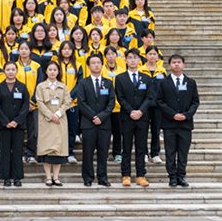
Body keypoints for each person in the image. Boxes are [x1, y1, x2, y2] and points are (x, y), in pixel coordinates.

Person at [157, 54, 200, 187]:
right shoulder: (163, 82)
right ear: (169, 65)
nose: (176, 64)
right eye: (174, 62)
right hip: (169, 123)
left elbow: (195, 101)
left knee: (183, 151)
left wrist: (186, 115)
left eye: (179, 62)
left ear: (183, 65)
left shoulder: (190, 82)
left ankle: (181, 176)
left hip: (185, 123)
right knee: (170, 151)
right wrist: (173, 114)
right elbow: (160, 101)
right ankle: (172, 177)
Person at [114, 49, 155, 187]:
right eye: (130, 58)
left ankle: (141, 175)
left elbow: (149, 97)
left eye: (135, 57)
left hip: (143, 118)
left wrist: (140, 111)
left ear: (139, 60)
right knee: (126, 147)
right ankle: (126, 175)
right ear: (125, 60)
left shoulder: (146, 78)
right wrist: (131, 111)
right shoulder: (120, 78)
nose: (133, 60)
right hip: (127, 117)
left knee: (141, 147)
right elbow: (120, 97)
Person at [76, 54, 116, 187]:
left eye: (98, 62)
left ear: (102, 65)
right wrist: (94, 116)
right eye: (93, 63)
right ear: (88, 66)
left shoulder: (108, 83)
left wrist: (101, 117)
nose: (96, 65)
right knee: (87, 152)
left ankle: (102, 177)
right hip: (88, 123)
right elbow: (81, 102)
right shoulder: (83, 83)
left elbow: (111, 103)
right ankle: (88, 178)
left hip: (104, 124)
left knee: (103, 152)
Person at [36, 61, 72, 187]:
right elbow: (39, 102)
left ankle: (56, 177)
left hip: (59, 120)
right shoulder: (41, 86)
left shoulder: (63, 86)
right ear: (46, 71)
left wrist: (58, 114)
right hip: (46, 121)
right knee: (47, 150)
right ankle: (48, 177)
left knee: (58, 151)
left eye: (54, 70)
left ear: (58, 72)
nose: (52, 72)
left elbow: (67, 102)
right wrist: (51, 115)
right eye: (50, 69)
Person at [0, 62, 30, 186]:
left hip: (18, 125)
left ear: (16, 71)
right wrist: (5, 122)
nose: (10, 72)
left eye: (13, 69)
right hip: (4, 125)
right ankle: (6, 178)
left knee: (17, 151)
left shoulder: (22, 87)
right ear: (4, 71)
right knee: (5, 151)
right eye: (8, 69)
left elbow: (25, 105)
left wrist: (16, 121)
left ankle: (17, 177)